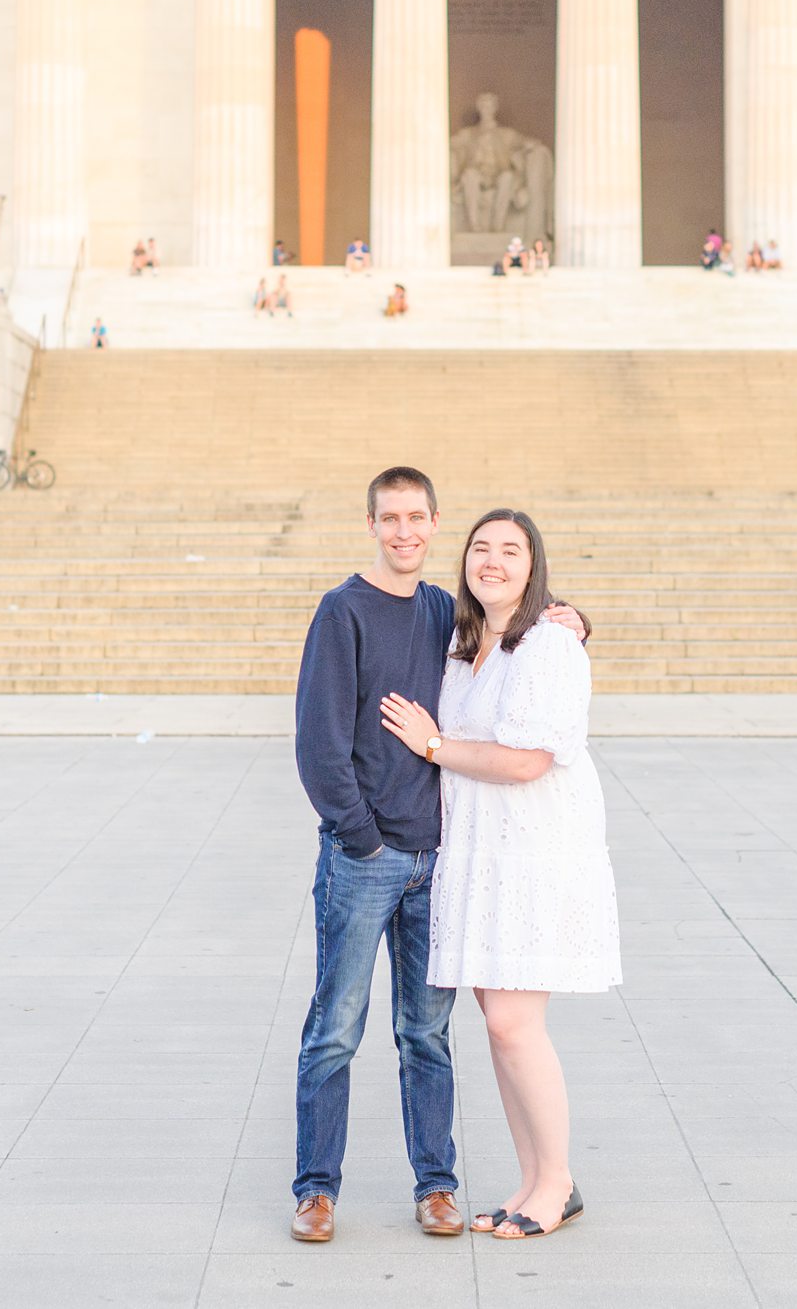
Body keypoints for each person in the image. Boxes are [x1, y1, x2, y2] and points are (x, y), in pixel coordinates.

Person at [290, 470, 586, 1246]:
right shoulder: (342, 610)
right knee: (336, 1027)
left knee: (427, 1032)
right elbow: (319, 745)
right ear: (371, 524)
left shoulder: (443, 615)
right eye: (390, 518)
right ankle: (317, 1190)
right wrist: (363, 836)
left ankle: (437, 1185)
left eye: (417, 517)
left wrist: (572, 619)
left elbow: (523, 635)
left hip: (441, 862)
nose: (404, 531)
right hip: (367, 856)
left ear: (432, 523)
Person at [376, 508, 620, 1242]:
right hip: (481, 849)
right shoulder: (465, 643)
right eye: (481, 547)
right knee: (500, 1022)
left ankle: (560, 1182)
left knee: (516, 1022)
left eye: (511, 550)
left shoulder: (548, 643)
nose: (493, 560)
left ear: (533, 565)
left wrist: (434, 745)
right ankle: (532, 1178)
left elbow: (527, 760)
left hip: (534, 847)